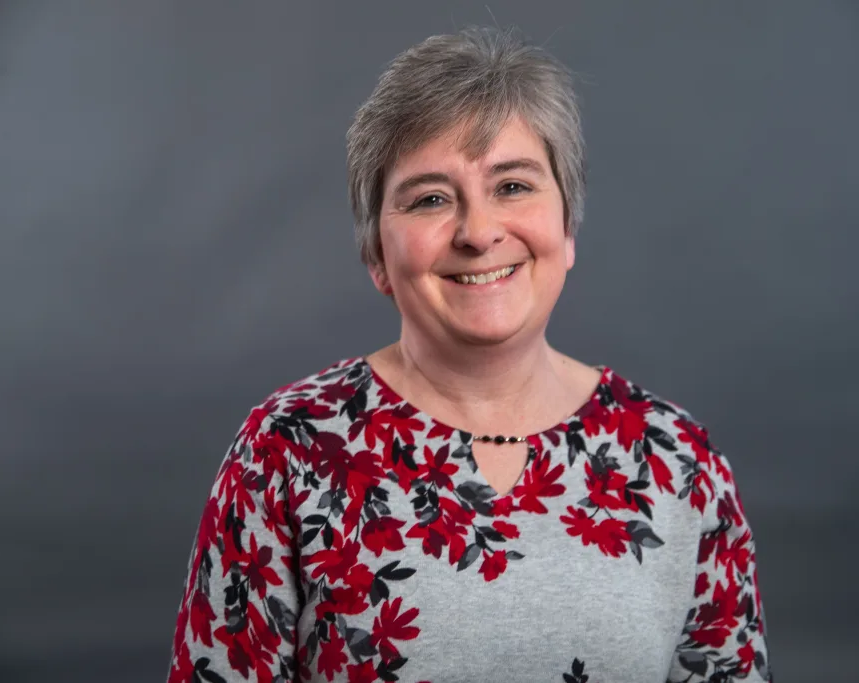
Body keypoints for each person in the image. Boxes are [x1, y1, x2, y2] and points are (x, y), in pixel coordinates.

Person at [166, 26, 772, 683]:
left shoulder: (680, 462)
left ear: (567, 227)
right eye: (430, 198)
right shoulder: (284, 451)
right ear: (376, 256)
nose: (479, 233)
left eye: (512, 186)